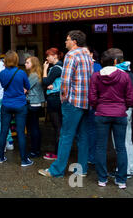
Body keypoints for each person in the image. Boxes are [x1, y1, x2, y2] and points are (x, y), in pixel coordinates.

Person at [39, 30, 93, 178]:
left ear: (74, 42)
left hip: (73, 102)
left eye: (67, 39)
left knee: (66, 136)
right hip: (85, 101)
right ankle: (81, 170)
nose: (65, 42)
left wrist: (63, 98)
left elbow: (65, 81)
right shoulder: (87, 54)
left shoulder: (71, 55)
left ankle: (57, 170)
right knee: (83, 136)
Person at [89, 48, 133, 189]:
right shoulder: (124, 76)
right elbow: (130, 98)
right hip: (120, 114)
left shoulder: (95, 76)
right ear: (115, 61)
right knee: (121, 148)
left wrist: (99, 107)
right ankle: (121, 180)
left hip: (101, 114)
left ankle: (102, 179)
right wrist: (123, 107)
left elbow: (92, 98)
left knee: (100, 147)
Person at [0, 50, 32, 167]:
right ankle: (24, 160)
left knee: (3, 130)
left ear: (5, 60)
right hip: (20, 105)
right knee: (21, 132)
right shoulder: (21, 73)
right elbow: (27, 86)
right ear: (17, 60)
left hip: (6, 104)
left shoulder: (2, 73)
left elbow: (3, 86)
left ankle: (1, 157)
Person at [114, 56, 133, 178]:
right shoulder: (132, 75)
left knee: (121, 142)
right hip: (128, 109)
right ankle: (130, 168)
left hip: (122, 110)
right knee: (127, 140)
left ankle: (124, 169)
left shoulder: (118, 75)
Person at [42, 47, 64, 161]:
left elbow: (45, 81)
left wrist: (45, 69)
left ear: (55, 56)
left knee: (57, 126)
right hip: (58, 98)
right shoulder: (61, 67)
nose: (47, 58)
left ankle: (58, 153)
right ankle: (60, 152)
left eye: (48, 55)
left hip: (54, 99)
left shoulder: (55, 68)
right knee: (59, 126)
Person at [25, 56, 45, 158]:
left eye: (27, 62)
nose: (25, 64)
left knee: (33, 128)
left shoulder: (33, 75)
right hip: (36, 103)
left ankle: (34, 150)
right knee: (35, 127)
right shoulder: (37, 74)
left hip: (33, 103)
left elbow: (25, 89)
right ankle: (35, 149)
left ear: (33, 64)